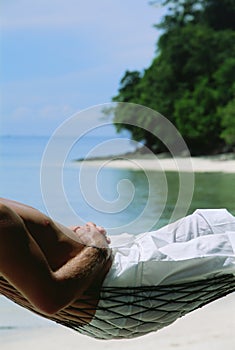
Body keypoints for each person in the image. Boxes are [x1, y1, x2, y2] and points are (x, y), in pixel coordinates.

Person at [0, 197, 235, 339]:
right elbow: (50, 298)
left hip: (112, 272)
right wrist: (96, 247)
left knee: (210, 221)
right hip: (118, 293)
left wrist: (70, 237)